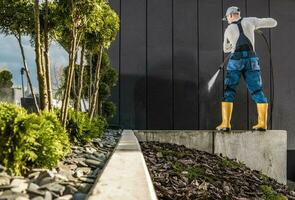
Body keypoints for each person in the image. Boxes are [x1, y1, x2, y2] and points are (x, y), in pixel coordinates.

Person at [216, 6, 277, 131]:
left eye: (227, 17)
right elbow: (273, 22)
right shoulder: (251, 21)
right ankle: (262, 124)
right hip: (251, 61)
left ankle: (226, 124)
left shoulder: (228, 29)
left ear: (232, 15)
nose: (227, 20)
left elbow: (225, 49)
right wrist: (254, 27)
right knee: (257, 90)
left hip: (235, 61)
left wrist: (233, 45)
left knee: (229, 91)